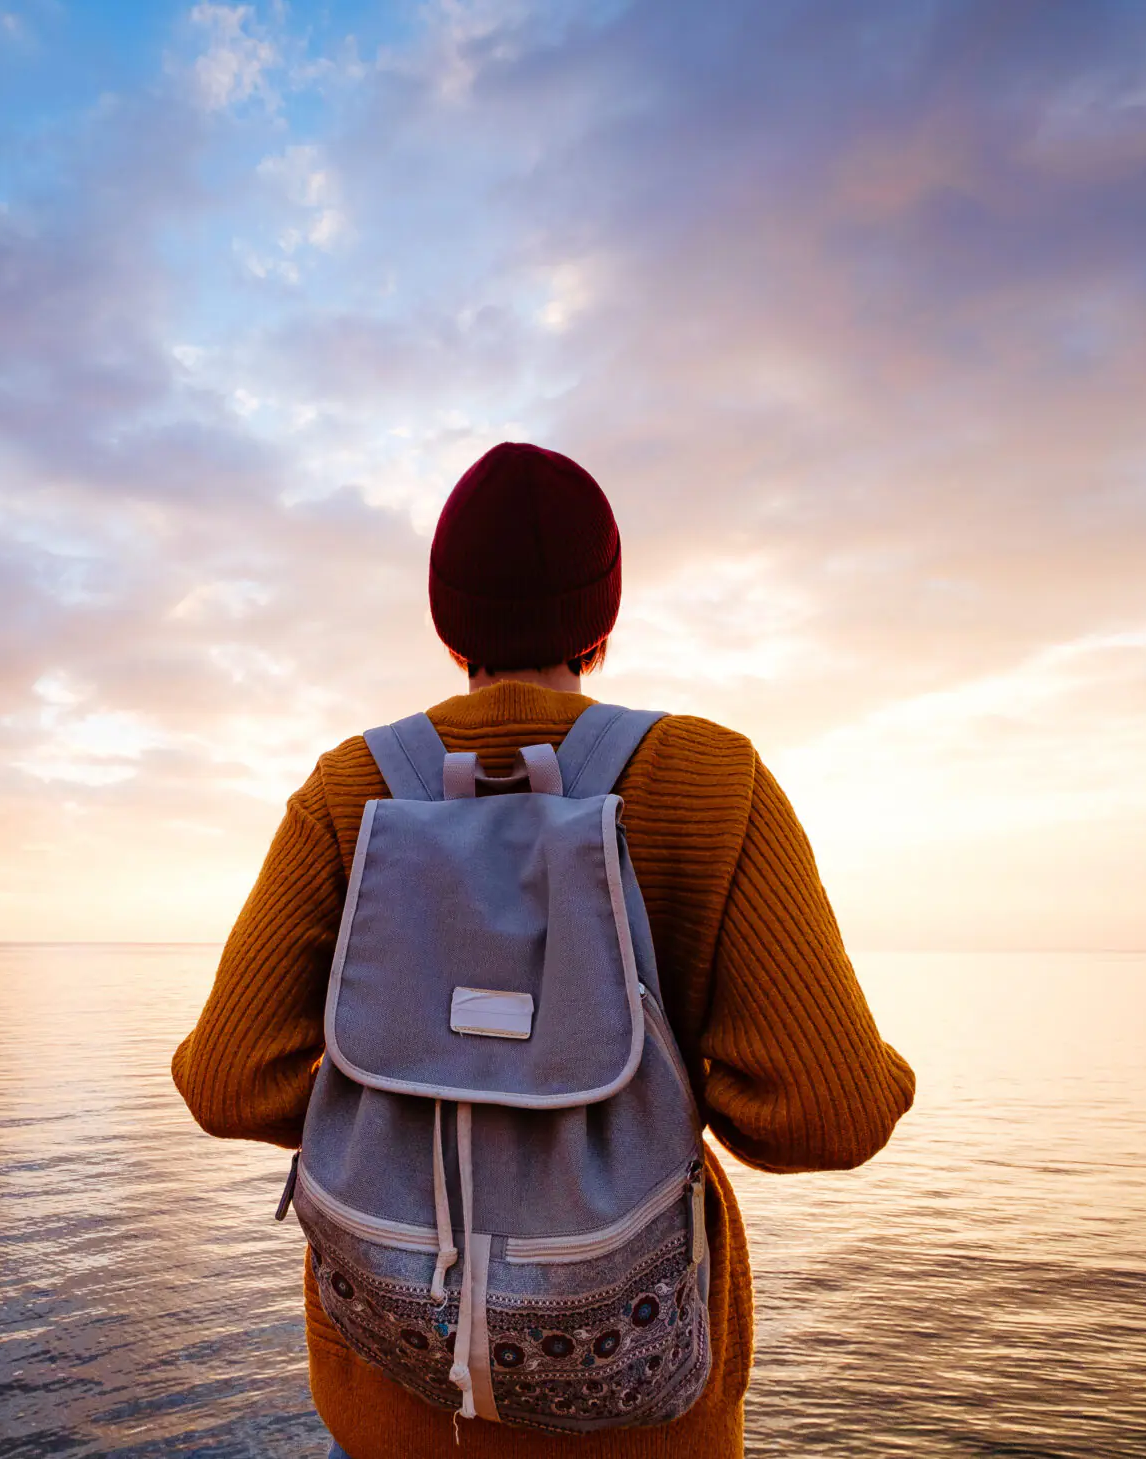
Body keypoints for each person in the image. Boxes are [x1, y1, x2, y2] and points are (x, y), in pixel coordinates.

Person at [171, 442, 915, 1458]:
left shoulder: (351, 791)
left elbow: (225, 1080)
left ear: (449, 626)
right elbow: (830, 1115)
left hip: (393, 1411)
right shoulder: (710, 777)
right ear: (600, 622)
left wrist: (393, 1103)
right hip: (643, 1428)